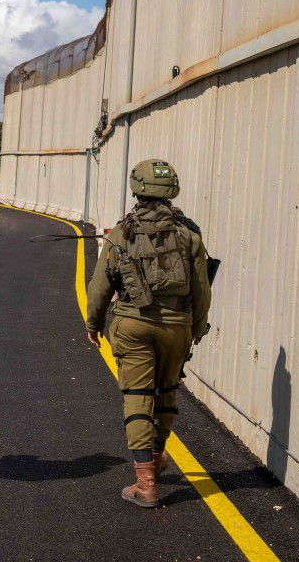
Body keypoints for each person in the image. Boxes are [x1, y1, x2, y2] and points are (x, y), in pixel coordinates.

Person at [84, 158, 212, 508]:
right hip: (176, 327)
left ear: (136, 188)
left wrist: (93, 325)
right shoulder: (189, 235)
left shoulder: (120, 234)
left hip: (133, 324)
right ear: (172, 190)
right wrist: (195, 329)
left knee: (139, 396)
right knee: (167, 393)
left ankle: (146, 484)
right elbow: (202, 291)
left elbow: (99, 288)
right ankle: (156, 461)